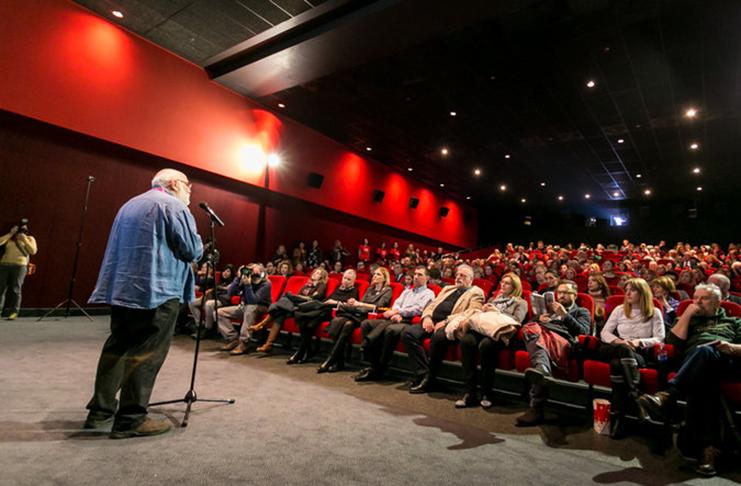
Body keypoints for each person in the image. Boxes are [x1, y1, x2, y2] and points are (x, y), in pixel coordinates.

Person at [85, 168, 203, 439]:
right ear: (174, 183)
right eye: (188, 186)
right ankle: (131, 419)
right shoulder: (173, 206)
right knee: (147, 352)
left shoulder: (129, 205)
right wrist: (199, 241)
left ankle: (100, 412)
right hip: (158, 291)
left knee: (118, 346)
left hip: (124, 289)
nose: (189, 192)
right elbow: (191, 250)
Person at [639, 283, 741, 477]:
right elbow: (672, 343)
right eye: (696, 298)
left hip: (726, 362)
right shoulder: (689, 320)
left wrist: (731, 347)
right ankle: (709, 451)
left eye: (704, 299)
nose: (698, 302)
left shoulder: (734, 322)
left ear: (718, 302)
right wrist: (686, 314)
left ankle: (667, 395)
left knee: (704, 353)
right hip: (696, 365)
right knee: (704, 380)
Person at [516, 280, 591, 426]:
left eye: (566, 292)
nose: (561, 295)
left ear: (574, 295)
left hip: (563, 340)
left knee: (535, 334)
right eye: (560, 292)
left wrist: (564, 315)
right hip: (542, 335)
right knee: (532, 329)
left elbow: (584, 332)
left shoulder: (581, 311)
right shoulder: (549, 310)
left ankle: (536, 405)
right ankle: (542, 370)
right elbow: (530, 325)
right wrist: (539, 318)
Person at [597, 278, 664, 439]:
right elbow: (605, 333)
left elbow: (660, 338)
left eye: (632, 290)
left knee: (617, 365)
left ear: (643, 293)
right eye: (626, 290)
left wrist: (638, 342)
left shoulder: (654, 312)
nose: (627, 293)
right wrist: (620, 342)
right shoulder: (620, 310)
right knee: (621, 351)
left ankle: (619, 419)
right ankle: (636, 398)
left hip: (638, 353)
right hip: (614, 348)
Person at [403, 264, 485, 393]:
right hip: (432, 322)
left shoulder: (476, 292)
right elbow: (432, 305)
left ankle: (430, 379)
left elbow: (473, 311)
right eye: (457, 275)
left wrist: (446, 321)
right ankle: (423, 373)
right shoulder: (447, 289)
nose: (458, 278)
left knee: (438, 337)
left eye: (462, 276)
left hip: (450, 326)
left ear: (471, 279)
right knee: (408, 333)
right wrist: (427, 317)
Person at [453, 273, 528, 408]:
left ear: (515, 287)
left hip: (501, 333)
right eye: (502, 282)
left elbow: (517, 321)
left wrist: (497, 312)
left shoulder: (521, 302)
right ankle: (470, 392)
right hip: (484, 329)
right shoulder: (494, 299)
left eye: (507, 283)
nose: (502, 285)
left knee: (485, 345)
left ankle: (487, 392)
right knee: (466, 342)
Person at [355, 266, 435, 382]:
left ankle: (379, 366)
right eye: (415, 274)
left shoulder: (429, 293)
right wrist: (395, 312)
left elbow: (419, 309)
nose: (416, 277)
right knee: (367, 324)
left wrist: (399, 312)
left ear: (427, 278)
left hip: (409, 321)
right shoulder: (407, 291)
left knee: (390, 330)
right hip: (395, 317)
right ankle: (373, 364)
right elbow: (397, 303)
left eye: (420, 275)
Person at [318, 267, 393, 373]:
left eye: (379, 274)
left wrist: (361, 304)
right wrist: (354, 302)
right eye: (375, 274)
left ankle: (332, 360)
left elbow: (379, 306)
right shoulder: (370, 289)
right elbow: (360, 304)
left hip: (370, 317)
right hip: (358, 314)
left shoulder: (388, 290)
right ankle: (337, 361)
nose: (375, 276)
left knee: (345, 323)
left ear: (385, 278)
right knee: (345, 323)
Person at [289, 269, 359, 365]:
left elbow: (350, 306)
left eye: (349, 279)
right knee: (306, 324)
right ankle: (305, 351)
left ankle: (301, 352)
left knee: (306, 322)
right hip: (324, 310)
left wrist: (334, 302)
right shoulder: (338, 288)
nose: (346, 281)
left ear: (353, 281)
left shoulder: (354, 291)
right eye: (345, 278)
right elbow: (327, 299)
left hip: (334, 312)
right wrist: (327, 302)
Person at [250, 268, 328, 352]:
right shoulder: (307, 284)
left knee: (284, 300)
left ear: (321, 276)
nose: (315, 273)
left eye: (318, 273)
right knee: (280, 315)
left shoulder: (321, 285)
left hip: (305, 308)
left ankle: (262, 325)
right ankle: (268, 344)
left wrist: (296, 297)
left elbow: (314, 298)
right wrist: (296, 297)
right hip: (296, 305)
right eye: (315, 272)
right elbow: (299, 295)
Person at [216, 264, 272, 355]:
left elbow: (253, 301)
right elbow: (229, 293)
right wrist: (238, 278)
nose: (250, 273)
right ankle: (233, 339)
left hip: (261, 307)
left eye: (252, 270)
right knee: (219, 312)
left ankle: (244, 342)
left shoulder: (266, 283)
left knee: (250, 308)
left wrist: (248, 285)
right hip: (244, 306)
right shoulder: (244, 278)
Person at [0, 219, 38, 319]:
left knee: (16, 289)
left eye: (24, 230)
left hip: (20, 266)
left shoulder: (30, 238)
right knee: (1, 289)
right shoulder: (10, 238)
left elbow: (33, 251)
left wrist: (24, 239)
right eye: (20, 230)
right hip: (4, 265)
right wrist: (10, 233)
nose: (21, 232)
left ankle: (14, 312)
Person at [189, 263, 235, 338]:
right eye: (224, 271)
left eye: (228, 271)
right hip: (212, 298)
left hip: (223, 300)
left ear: (232, 273)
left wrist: (217, 288)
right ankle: (200, 325)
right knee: (192, 302)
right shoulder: (219, 280)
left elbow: (227, 291)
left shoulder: (233, 283)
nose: (225, 273)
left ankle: (208, 328)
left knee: (209, 304)